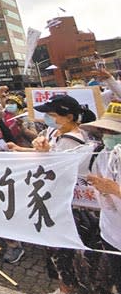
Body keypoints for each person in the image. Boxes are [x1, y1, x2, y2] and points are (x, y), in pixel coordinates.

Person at [31, 95, 105, 294]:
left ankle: (67, 288)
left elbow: (57, 171)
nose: (48, 118)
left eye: (53, 114)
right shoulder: (57, 133)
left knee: (64, 253)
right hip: (61, 203)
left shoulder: (73, 141)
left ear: (69, 116)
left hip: (71, 207)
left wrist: (45, 154)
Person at [83, 102, 121, 293]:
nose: (108, 136)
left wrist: (116, 190)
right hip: (111, 235)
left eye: (114, 132)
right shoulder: (102, 155)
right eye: (104, 131)